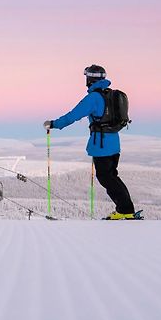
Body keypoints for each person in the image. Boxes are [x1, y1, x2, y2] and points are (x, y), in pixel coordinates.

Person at [44, 64, 136, 220]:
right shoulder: (110, 94)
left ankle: (125, 210)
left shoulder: (93, 98)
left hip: (102, 145)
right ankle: (126, 209)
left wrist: (54, 124)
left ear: (89, 79)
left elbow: (73, 115)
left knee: (106, 178)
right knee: (112, 176)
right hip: (114, 142)